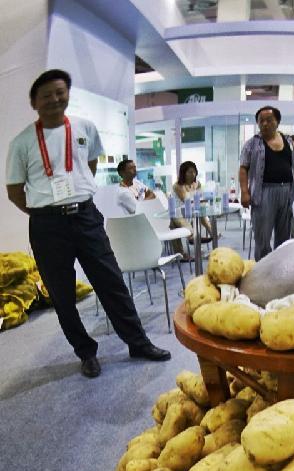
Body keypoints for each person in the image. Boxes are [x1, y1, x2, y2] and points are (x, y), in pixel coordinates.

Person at [5, 69, 170, 378]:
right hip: (46, 226)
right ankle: (85, 352)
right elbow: (14, 191)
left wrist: (74, 200)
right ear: (33, 102)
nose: (54, 99)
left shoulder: (85, 128)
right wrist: (45, 212)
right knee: (62, 294)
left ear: (67, 94)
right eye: (46, 95)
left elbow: (89, 165)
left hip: (85, 216)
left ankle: (138, 342)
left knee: (111, 282)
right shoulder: (22, 142)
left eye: (59, 92)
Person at [239, 106, 294, 261]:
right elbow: (243, 168)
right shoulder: (252, 144)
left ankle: (280, 272)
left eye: (269, 120)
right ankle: (262, 273)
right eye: (261, 121)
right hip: (263, 194)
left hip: (287, 191)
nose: (265, 124)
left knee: (284, 238)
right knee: (262, 237)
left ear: (277, 122)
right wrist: (244, 192)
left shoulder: (289, 142)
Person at [171, 160, 212, 260]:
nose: (192, 174)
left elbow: (200, 199)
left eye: (194, 171)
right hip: (177, 213)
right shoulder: (177, 185)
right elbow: (186, 199)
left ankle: (211, 233)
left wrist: (198, 196)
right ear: (183, 173)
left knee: (201, 214)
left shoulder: (197, 184)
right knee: (180, 221)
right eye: (189, 172)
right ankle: (193, 237)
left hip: (191, 212)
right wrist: (196, 195)